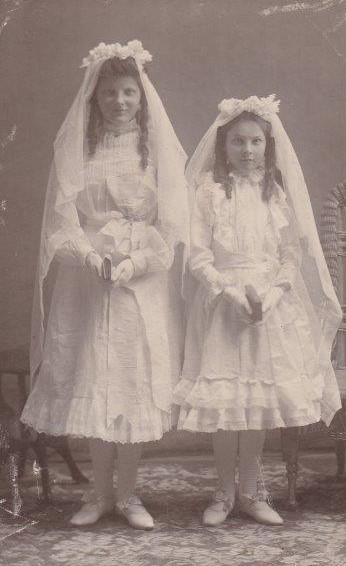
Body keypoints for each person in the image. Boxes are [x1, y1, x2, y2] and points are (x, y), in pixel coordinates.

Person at [21, 40, 189, 529]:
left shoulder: (155, 152)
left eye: (129, 92)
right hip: (88, 280)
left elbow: (173, 223)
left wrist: (136, 261)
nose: (119, 101)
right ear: (94, 97)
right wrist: (91, 255)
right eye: (110, 92)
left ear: (142, 96)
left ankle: (131, 493)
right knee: (94, 376)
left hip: (141, 279)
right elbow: (61, 218)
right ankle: (98, 493)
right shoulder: (77, 149)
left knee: (133, 380)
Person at [174, 95, 342, 527]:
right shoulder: (209, 194)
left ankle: (251, 492)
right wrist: (229, 293)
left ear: (267, 146)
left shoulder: (277, 195)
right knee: (227, 407)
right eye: (237, 142)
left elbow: (291, 254)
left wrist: (268, 297)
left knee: (258, 406)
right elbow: (198, 255)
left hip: (270, 308)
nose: (246, 151)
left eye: (254, 142)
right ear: (222, 146)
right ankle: (223, 493)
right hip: (223, 305)